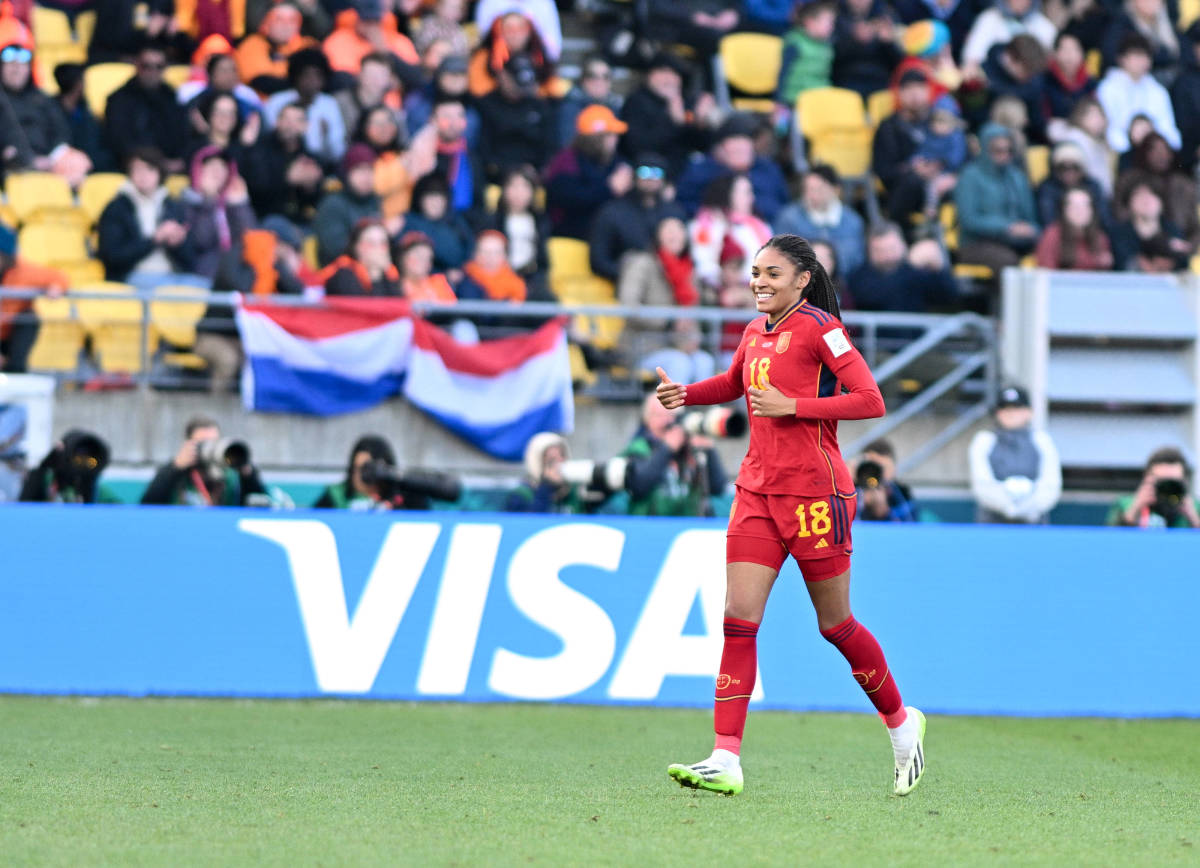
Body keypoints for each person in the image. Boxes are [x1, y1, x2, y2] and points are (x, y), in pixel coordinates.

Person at [656, 233, 925, 797]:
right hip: (757, 491)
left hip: (816, 497)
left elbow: (870, 400)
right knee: (738, 618)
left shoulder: (822, 328)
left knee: (836, 626)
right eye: (755, 272)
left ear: (802, 279)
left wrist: (794, 407)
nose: (759, 282)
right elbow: (734, 384)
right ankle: (725, 757)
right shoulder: (755, 331)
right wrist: (689, 394)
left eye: (772, 273)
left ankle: (902, 725)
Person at [96, 148, 199, 288]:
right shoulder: (117, 208)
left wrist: (178, 244)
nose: (143, 175)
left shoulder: (171, 206)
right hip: (131, 276)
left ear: (159, 173)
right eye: (137, 170)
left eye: (149, 169)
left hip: (171, 275)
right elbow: (113, 256)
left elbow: (190, 260)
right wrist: (155, 239)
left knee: (205, 288)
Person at [620, 392, 728, 517]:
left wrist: (709, 451)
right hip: (648, 527)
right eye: (660, 415)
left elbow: (718, 488)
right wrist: (667, 449)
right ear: (647, 419)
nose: (667, 421)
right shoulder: (638, 448)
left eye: (672, 414)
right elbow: (638, 486)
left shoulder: (690, 449)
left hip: (688, 528)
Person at [968, 386, 1062, 523]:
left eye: (1017, 408)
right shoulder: (984, 440)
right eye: (1005, 408)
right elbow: (982, 484)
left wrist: (1028, 508)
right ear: (997, 413)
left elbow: (1050, 485)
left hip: (1034, 523)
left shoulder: (1041, 440)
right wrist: (1009, 507)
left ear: (1029, 412)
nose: (1011, 413)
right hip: (992, 524)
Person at [588, 153, 688, 282]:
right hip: (624, 279)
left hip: (671, 282)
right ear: (634, 177)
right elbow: (598, 260)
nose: (651, 178)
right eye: (644, 172)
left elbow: (687, 254)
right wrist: (632, 273)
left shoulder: (675, 212)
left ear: (664, 179)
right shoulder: (612, 211)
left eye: (657, 173)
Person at [954, 123, 1039, 273]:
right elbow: (968, 220)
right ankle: (1005, 297)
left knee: (1052, 250)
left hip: (1016, 241)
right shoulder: (970, 176)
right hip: (976, 243)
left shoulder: (1017, 177)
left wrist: (1031, 230)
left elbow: (1030, 217)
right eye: (998, 151)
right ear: (985, 149)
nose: (1004, 155)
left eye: (1008, 150)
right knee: (1008, 262)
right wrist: (1007, 227)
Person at [618, 52, 719, 179]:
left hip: (683, 173)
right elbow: (637, 146)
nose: (669, 78)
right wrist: (672, 122)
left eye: (674, 73)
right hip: (648, 174)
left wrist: (700, 123)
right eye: (663, 72)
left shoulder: (685, 102)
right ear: (649, 75)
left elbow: (702, 145)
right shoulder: (636, 102)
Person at [676, 115, 788, 223]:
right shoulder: (701, 171)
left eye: (746, 140)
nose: (742, 146)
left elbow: (783, 206)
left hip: (767, 232)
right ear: (720, 148)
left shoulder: (768, 170)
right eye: (735, 140)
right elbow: (685, 206)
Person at [543, 104, 630, 240]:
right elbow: (568, 197)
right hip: (570, 236)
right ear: (595, 138)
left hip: (605, 237)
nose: (615, 139)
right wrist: (609, 189)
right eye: (610, 135)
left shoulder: (615, 161)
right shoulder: (566, 161)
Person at [104, 41, 190, 173]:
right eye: (146, 66)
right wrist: (156, 163)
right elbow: (119, 141)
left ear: (165, 68)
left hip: (170, 165)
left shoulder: (172, 97)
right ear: (137, 65)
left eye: (158, 66)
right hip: (132, 166)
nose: (152, 71)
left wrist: (179, 159)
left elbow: (182, 135)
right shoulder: (119, 99)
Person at [141, 417, 269, 506]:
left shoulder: (232, 474)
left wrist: (247, 473)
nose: (210, 448)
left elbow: (259, 506)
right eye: (203, 443)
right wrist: (175, 468)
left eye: (214, 442)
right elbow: (148, 505)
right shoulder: (175, 473)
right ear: (188, 444)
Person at [240, 100, 324, 225]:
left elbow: (316, 201)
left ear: (306, 126)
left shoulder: (310, 158)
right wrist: (287, 179)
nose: (290, 125)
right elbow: (256, 190)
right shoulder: (260, 150)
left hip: (300, 222)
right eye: (285, 119)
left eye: (297, 120)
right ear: (277, 122)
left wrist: (311, 187)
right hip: (265, 220)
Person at [178, 146, 257, 280]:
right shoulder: (187, 202)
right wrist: (208, 199)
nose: (218, 172)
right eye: (212, 166)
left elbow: (251, 238)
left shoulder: (231, 203)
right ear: (199, 170)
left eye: (223, 167)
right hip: (201, 276)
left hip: (234, 276)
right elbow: (201, 240)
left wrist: (239, 204)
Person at [475, 53, 555, 183]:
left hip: (533, 177)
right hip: (496, 176)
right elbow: (483, 152)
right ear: (503, 76)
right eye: (517, 83)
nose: (522, 90)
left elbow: (549, 146)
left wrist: (539, 170)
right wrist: (512, 170)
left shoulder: (539, 106)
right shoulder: (486, 105)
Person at [0, 222, 69, 372]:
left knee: (30, 317)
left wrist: (56, 287)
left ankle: (15, 370)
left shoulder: (23, 270)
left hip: (9, 331)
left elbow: (59, 277)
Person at [775, 164, 867, 277]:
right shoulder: (789, 218)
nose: (812, 195)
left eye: (819, 189)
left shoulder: (852, 221)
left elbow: (857, 260)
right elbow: (780, 257)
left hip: (843, 285)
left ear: (835, 189)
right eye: (808, 189)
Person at [1096, 34, 1180, 154]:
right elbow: (1110, 129)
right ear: (1122, 59)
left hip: (1154, 153)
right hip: (1119, 153)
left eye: (1146, 56)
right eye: (1137, 56)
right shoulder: (1107, 89)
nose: (1143, 61)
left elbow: (1169, 130)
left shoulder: (1158, 91)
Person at [847, 222, 958, 312]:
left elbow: (950, 296)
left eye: (892, 248)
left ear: (903, 245)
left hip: (919, 337)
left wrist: (939, 269)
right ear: (869, 252)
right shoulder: (860, 277)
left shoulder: (916, 272)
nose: (888, 256)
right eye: (880, 250)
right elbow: (876, 296)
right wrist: (911, 263)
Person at [262, 48, 346, 165]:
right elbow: (266, 139)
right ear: (296, 76)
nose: (312, 81)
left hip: (320, 165)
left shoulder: (330, 105)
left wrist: (327, 138)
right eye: (306, 75)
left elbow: (339, 152)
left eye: (317, 76)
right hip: (279, 162)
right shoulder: (276, 102)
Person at [478, 165, 551, 299]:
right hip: (499, 277)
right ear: (504, 190)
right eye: (513, 186)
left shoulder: (540, 221)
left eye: (524, 187)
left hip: (530, 278)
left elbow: (543, 260)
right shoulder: (493, 220)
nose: (519, 193)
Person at [689, 173, 773, 290]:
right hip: (714, 292)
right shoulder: (705, 225)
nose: (752, 198)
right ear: (728, 194)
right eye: (746, 193)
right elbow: (703, 264)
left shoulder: (760, 226)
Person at [313, 143, 385, 266]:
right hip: (341, 272)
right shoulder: (332, 204)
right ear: (347, 173)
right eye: (360, 170)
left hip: (372, 269)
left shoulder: (375, 201)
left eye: (370, 170)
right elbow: (334, 249)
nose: (366, 176)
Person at [314, 435, 430, 510]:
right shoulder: (336, 496)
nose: (359, 476)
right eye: (356, 468)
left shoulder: (407, 497)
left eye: (367, 469)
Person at [234, 2, 319, 94]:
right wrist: (298, 82)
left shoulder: (307, 45)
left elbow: (319, 78)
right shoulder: (252, 44)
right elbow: (260, 81)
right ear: (266, 23)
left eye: (292, 20)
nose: (286, 25)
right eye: (279, 19)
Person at [1106, 446, 1200, 528]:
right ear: (1147, 479)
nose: (1167, 488)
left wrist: (1194, 520)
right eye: (1162, 482)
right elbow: (1109, 541)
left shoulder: (1196, 508)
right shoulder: (1125, 505)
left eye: (1173, 483)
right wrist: (1134, 511)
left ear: (1184, 482)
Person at [402, 173, 474, 278]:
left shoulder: (456, 221)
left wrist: (461, 271)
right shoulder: (409, 222)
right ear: (420, 200)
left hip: (460, 277)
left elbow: (470, 249)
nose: (435, 203)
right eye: (430, 198)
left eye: (439, 199)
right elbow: (409, 262)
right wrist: (444, 274)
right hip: (427, 278)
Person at [18, 429, 119, 504]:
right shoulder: (42, 478)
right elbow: (23, 508)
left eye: (90, 461)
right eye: (77, 459)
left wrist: (89, 488)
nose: (83, 462)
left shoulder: (94, 485)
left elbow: (115, 507)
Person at [1111, 179, 1191, 271]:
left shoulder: (1172, 229)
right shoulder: (1120, 233)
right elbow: (1122, 264)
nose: (1146, 199)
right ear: (1129, 204)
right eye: (1139, 195)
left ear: (1161, 202)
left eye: (1152, 194)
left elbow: (1183, 264)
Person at [831, 0, 902, 98]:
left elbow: (899, 62)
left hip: (881, 81)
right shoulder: (834, 18)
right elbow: (829, 58)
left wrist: (888, 43)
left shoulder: (887, 16)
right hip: (846, 81)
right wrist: (853, 41)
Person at [1034, 185, 1115, 269]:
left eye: (1085, 206)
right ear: (1064, 210)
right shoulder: (1052, 235)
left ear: (1092, 211)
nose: (1080, 211)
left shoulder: (1100, 238)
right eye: (1075, 206)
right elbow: (1046, 270)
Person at [776, 0, 837, 109]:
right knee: (784, 125)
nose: (832, 27)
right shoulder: (795, 42)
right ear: (810, 22)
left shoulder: (827, 45)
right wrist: (779, 103)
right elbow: (783, 75)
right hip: (795, 100)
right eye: (829, 22)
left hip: (821, 97)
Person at [504, 432, 584, 513]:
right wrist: (547, 486)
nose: (560, 464)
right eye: (552, 460)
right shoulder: (521, 495)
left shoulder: (574, 493)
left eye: (562, 456)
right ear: (538, 462)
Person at [556, 54, 622, 149]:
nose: (599, 82)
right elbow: (567, 145)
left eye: (606, 76)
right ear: (583, 79)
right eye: (592, 76)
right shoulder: (569, 107)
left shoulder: (614, 106)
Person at [322, 218, 402, 296]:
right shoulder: (344, 272)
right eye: (370, 243)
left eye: (382, 243)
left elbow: (398, 304)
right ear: (355, 246)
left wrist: (383, 274)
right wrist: (374, 275)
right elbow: (359, 305)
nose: (377, 249)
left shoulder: (390, 274)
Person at [853, 438, 918, 522]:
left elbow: (909, 530)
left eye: (881, 468)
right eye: (870, 467)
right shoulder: (851, 491)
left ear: (893, 469)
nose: (874, 473)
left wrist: (885, 512)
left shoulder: (900, 494)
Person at [456, 230, 526, 302]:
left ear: (505, 256)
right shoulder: (465, 283)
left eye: (496, 252)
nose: (490, 257)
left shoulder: (516, 285)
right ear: (476, 254)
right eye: (485, 252)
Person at [1043, 31, 1097, 121]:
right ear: (1055, 53)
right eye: (1065, 50)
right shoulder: (1045, 81)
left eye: (1075, 49)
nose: (1070, 55)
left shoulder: (1090, 84)